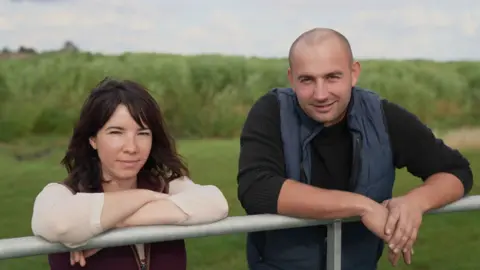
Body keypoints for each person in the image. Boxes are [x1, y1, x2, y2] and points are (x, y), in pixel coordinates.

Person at [237, 27, 473, 270]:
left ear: (354, 73)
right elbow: (256, 189)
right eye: (307, 79)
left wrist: (415, 202)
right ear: (291, 78)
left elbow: (457, 171)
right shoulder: (272, 111)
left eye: (332, 77)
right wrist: (362, 206)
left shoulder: (382, 116)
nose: (320, 94)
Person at [31, 77, 229, 270]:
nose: (132, 147)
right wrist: (148, 198)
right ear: (93, 139)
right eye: (116, 132)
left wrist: (113, 224)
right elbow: (60, 225)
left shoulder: (166, 185)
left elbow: (216, 203)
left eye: (143, 133)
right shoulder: (60, 194)